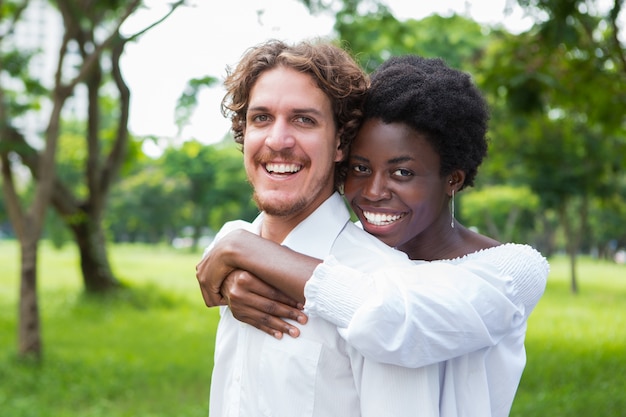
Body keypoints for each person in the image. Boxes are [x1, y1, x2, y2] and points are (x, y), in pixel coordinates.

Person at [197, 54, 549, 416]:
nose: (374, 191)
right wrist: (240, 248)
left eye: (402, 173)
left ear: (453, 179)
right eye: (361, 168)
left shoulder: (508, 269)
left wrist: (243, 249)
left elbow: (398, 323)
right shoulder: (259, 253)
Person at [203, 39, 446, 417]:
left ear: (339, 143)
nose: (278, 141)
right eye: (261, 118)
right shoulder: (231, 265)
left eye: (304, 120)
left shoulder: (385, 286)